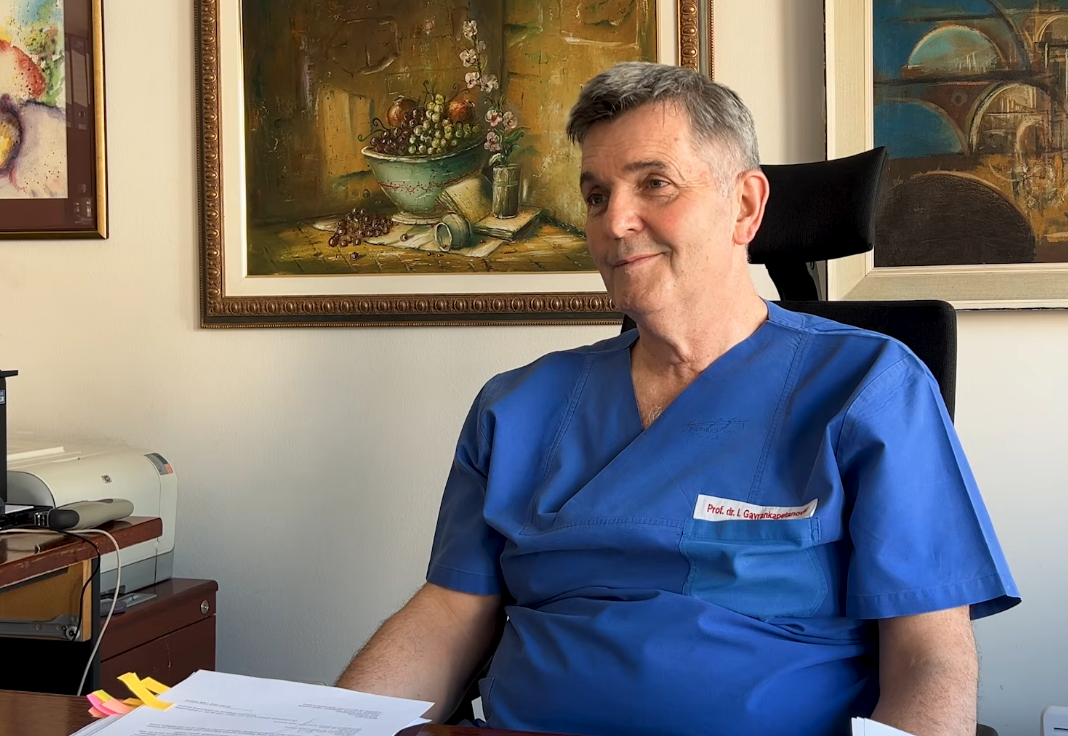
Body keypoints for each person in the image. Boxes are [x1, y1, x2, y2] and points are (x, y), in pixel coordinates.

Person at [337, 62, 1019, 736]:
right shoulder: (516, 406)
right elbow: (448, 613)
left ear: (745, 206)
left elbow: (931, 655)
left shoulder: (869, 387)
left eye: (654, 183)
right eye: (596, 195)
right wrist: (333, 725)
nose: (615, 221)